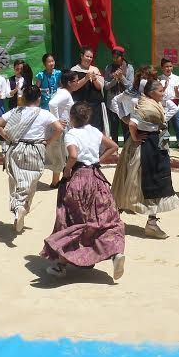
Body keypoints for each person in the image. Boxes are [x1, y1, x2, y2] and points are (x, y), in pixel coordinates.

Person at [40, 102, 125, 280]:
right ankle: (115, 253)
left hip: (78, 178)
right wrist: (98, 160)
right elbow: (113, 146)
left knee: (70, 219)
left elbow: (73, 155)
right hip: (96, 177)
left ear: (72, 117)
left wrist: (67, 170)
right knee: (103, 219)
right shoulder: (94, 131)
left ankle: (61, 265)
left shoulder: (71, 134)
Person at [111, 79, 179, 239]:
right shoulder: (145, 106)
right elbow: (132, 123)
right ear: (151, 92)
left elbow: (173, 107)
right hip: (145, 147)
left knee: (149, 182)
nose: (163, 93)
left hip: (155, 144)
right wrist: (135, 137)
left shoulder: (155, 104)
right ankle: (115, 218)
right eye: (160, 91)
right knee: (137, 183)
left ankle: (150, 223)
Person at [0, 85, 64, 233]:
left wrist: (8, 137)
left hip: (16, 149)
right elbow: (59, 129)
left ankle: (17, 209)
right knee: (30, 182)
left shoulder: (15, 111)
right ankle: (22, 207)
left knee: (16, 181)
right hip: (35, 149)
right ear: (39, 98)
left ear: (23, 98)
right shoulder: (44, 114)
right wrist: (48, 141)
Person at [46, 70, 76, 188]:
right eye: (75, 81)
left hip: (62, 128)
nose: (77, 83)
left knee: (61, 154)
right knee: (60, 154)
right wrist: (57, 120)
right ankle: (56, 182)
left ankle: (58, 180)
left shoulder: (62, 91)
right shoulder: (64, 93)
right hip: (60, 129)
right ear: (69, 82)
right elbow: (52, 104)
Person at [159, 58, 179, 160]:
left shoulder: (177, 78)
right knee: (164, 130)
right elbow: (158, 94)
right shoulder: (159, 79)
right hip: (163, 107)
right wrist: (164, 88)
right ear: (162, 68)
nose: (168, 68)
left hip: (175, 107)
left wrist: (177, 91)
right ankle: (165, 152)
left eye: (170, 66)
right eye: (166, 66)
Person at [68, 46, 105, 133]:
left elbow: (100, 87)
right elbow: (74, 87)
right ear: (81, 56)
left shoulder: (95, 70)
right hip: (80, 106)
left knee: (96, 130)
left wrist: (95, 79)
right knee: (81, 129)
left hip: (95, 106)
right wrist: (86, 78)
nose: (89, 59)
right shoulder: (74, 70)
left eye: (91, 57)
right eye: (87, 56)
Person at [104, 46, 134, 143]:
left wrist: (121, 77)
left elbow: (130, 86)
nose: (115, 59)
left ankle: (126, 149)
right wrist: (115, 79)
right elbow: (106, 86)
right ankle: (114, 148)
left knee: (126, 128)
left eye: (117, 57)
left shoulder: (129, 68)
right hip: (112, 102)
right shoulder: (109, 68)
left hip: (125, 102)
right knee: (113, 127)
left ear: (122, 56)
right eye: (113, 57)